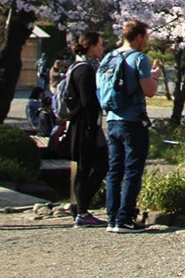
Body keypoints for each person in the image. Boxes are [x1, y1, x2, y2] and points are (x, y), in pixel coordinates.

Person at [102, 19, 158, 234]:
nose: (146, 41)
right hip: (132, 120)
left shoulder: (110, 56)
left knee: (114, 169)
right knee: (133, 169)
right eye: (145, 37)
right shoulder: (139, 59)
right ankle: (124, 219)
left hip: (112, 118)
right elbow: (149, 90)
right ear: (138, 37)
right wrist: (155, 78)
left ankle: (112, 217)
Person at [63, 29, 108, 228]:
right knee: (94, 166)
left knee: (88, 167)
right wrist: (92, 126)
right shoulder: (85, 70)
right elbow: (88, 101)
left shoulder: (78, 67)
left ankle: (80, 208)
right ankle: (81, 209)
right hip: (86, 127)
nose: (102, 48)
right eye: (99, 44)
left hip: (83, 125)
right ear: (90, 47)